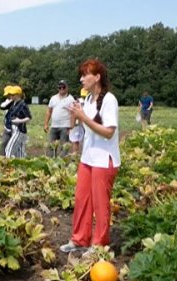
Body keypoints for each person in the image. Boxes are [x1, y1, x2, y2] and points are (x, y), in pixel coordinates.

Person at [60, 59, 120, 254]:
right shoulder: (87, 100)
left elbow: (108, 132)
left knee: (100, 203)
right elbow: (81, 129)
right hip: (88, 158)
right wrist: (75, 116)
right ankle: (79, 239)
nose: (81, 78)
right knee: (82, 198)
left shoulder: (109, 100)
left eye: (85, 74)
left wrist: (84, 117)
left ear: (97, 77)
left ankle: (99, 244)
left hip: (105, 160)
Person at [44, 80, 76, 157]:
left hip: (65, 126)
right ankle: (51, 162)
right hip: (54, 126)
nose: (61, 89)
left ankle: (62, 164)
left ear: (67, 88)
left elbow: (73, 114)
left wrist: (71, 127)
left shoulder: (71, 99)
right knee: (51, 146)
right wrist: (46, 124)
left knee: (64, 147)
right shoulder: (53, 98)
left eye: (63, 87)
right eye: (60, 87)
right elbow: (49, 111)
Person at [5, 85, 32, 158]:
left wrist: (20, 120)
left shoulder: (23, 104)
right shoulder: (13, 104)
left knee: (9, 149)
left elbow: (29, 117)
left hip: (19, 130)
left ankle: (7, 166)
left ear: (18, 95)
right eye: (11, 94)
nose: (11, 96)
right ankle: (20, 167)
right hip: (14, 129)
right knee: (19, 152)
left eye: (13, 95)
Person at [70, 88, 88, 155]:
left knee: (78, 140)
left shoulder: (77, 101)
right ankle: (76, 155)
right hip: (81, 123)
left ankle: (78, 155)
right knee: (77, 140)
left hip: (83, 123)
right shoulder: (78, 102)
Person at [0, 85, 14, 156]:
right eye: (7, 95)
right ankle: (3, 159)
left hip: (16, 129)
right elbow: (2, 106)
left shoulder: (18, 102)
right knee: (3, 143)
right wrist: (11, 100)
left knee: (14, 146)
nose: (8, 96)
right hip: (7, 127)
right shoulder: (8, 101)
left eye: (9, 94)